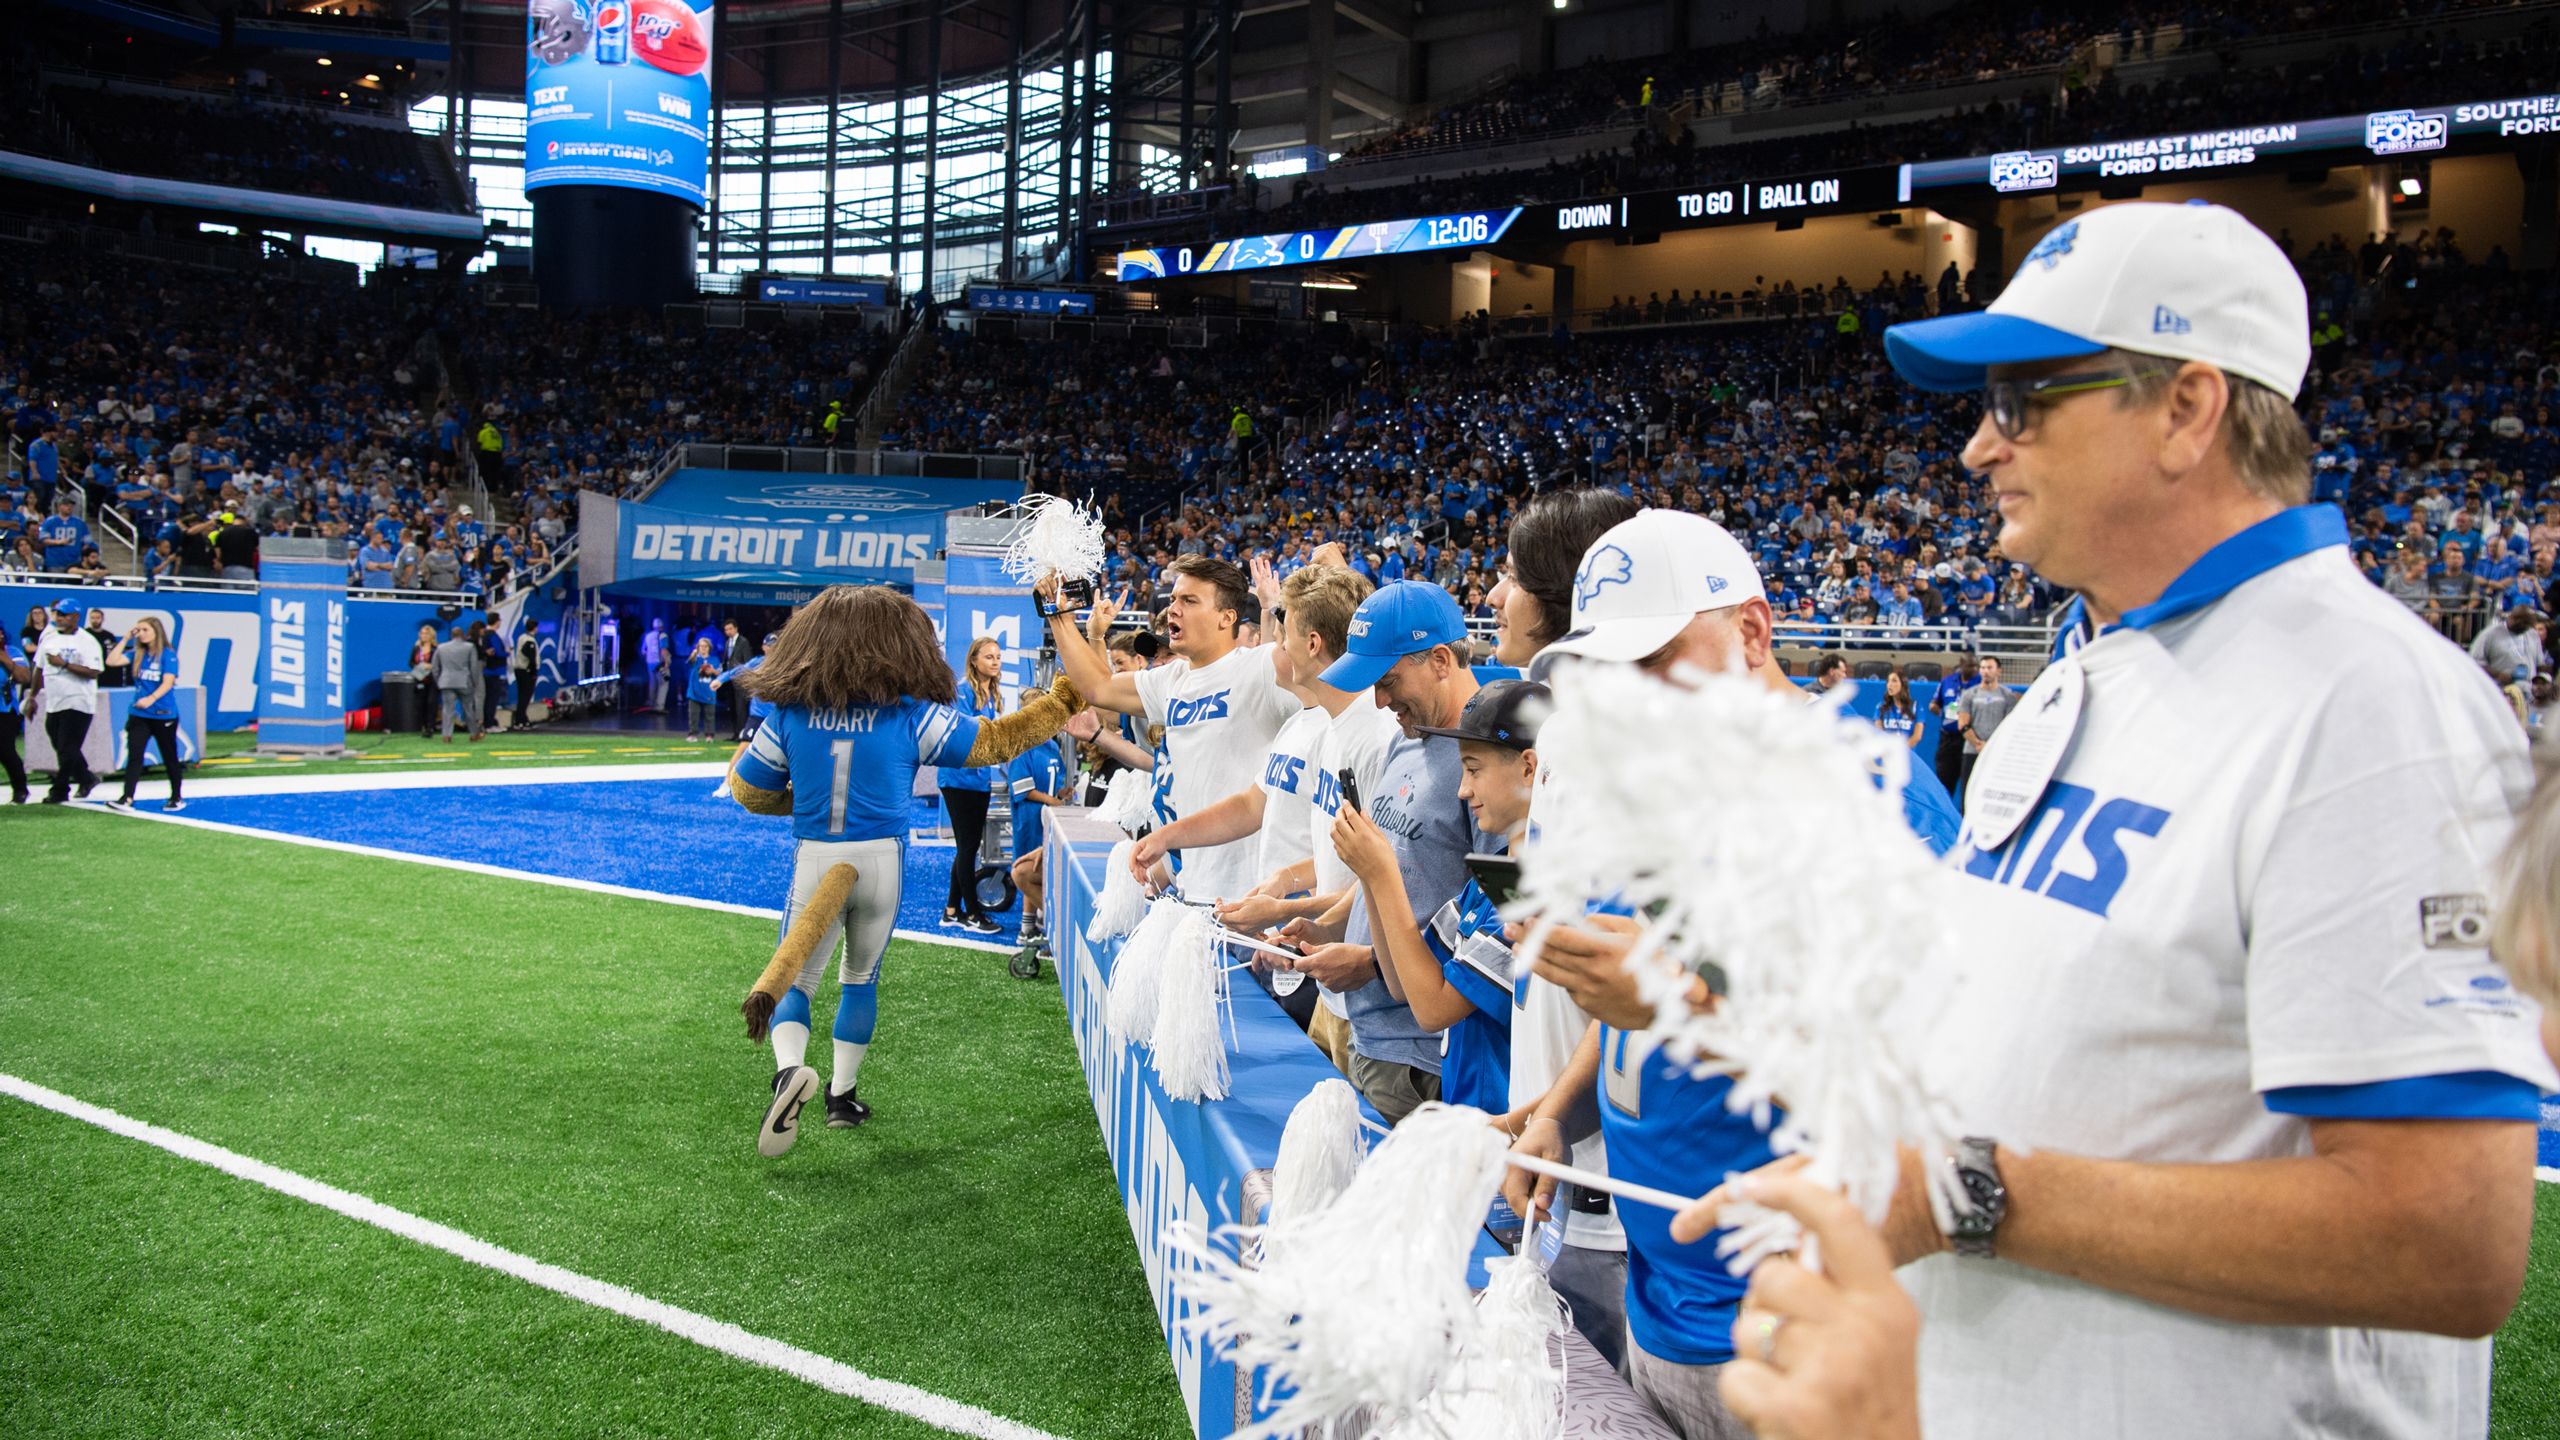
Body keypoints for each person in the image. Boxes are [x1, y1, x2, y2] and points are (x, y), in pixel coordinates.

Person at [1860, 198, 2555, 1439]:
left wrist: (1970, 1192)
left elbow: (2443, 1237)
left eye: (2019, 400)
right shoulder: (2084, 677)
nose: (1976, 448)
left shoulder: (2373, 707)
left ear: (2186, 410)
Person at [1513, 509, 1959, 1439]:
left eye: (1651, 663)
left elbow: (1928, 1094)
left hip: (1789, 1324)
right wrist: (1562, 1108)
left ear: (1753, 633)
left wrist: (1681, 1003)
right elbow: (1650, 993)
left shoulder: (1872, 803)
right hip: (1663, 1294)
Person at [726, 585, 1085, 1154]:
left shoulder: (789, 716)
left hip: (816, 855)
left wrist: (804, 801)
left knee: (798, 977)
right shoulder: (910, 716)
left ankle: (789, 1069)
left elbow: (750, 790)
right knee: (860, 978)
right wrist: (1066, 697)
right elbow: (997, 741)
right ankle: (842, 1097)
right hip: (880, 862)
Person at [1277, 580, 1485, 1124]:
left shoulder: (1487, 767)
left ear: (1440, 661)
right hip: (1372, 1033)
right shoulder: (1407, 738)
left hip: (1424, 1055)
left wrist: (1370, 962)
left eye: (1388, 681)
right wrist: (1328, 925)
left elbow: (1485, 927)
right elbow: (1388, 864)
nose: (1380, 701)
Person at [1330, 679, 1545, 1116]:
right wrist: (1370, 874)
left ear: (1528, 768)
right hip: (1467, 1113)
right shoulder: (1491, 877)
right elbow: (1402, 983)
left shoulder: (1530, 889)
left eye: (1474, 769)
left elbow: (1432, 1009)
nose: (1463, 789)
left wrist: (1383, 874)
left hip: (1498, 1126)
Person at [1040, 555, 1299, 905]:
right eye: (1174, 598)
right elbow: (1098, 688)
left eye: (1189, 601)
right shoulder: (1172, 679)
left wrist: (1273, 607)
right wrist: (1059, 617)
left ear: (1227, 618)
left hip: (1256, 894)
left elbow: (1318, 660)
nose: (1173, 609)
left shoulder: (1260, 667)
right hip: (1194, 885)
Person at [940, 636, 1009, 935]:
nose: (995, 662)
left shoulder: (991, 692)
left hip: (979, 779)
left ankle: (951, 910)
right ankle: (972, 914)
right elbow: (965, 733)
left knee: (967, 847)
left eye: (998, 657)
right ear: (974, 660)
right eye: (989, 657)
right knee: (967, 848)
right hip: (958, 779)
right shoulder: (962, 691)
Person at [103, 617, 184, 811]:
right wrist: (125, 638)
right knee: (135, 755)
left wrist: (151, 698)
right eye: (138, 630)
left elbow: (168, 682)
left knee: (169, 756)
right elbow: (111, 661)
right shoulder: (137, 654)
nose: (141, 634)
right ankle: (127, 797)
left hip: (163, 713)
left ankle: (176, 796)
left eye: (145, 630)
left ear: (156, 631)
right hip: (139, 714)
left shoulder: (167, 655)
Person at [1006, 729, 1076, 949]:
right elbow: (1023, 788)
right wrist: (1051, 800)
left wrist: (1061, 794)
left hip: (1049, 818)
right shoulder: (1022, 746)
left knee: (1044, 872)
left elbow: (1054, 781)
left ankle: (1036, 921)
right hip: (1031, 818)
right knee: (1030, 868)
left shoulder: (1052, 746)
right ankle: (1026, 927)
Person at [34, 598, 103, 802]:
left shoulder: (87, 641)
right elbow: (39, 668)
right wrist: (31, 697)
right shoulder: (48, 638)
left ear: (76, 617)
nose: (60, 618)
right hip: (54, 700)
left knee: (67, 747)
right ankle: (86, 778)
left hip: (78, 700)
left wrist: (64, 664)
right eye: (58, 614)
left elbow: (93, 671)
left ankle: (60, 789)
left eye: (64, 615)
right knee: (61, 744)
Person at [2470, 604, 2546, 726]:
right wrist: (2498, 674)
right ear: (2516, 619)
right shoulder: (2490, 634)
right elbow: (2474, 662)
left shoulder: (2532, 634)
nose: (2528, 629)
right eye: (2526, 625)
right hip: (2502, 691)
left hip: (2529, 691)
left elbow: (2540, 662)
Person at [1952, 654, 2010, 804]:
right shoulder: (1969, 694)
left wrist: (1990, 746)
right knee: (1968, 794)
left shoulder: (2007, 695)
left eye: (1989, 668)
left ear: (1999, 671)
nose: (1985, 671)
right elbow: (1962, 724)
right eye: (1983, 668)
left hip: (1996, 752)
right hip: (1972, 751)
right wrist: (1978, 744)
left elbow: (2009, 725)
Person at [433, 623, 481, 743]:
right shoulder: (469, 647)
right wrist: (475, 682)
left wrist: (439, 681)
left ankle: (447, 735)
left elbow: (435, 668)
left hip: (446, 682)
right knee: (468, 709)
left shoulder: (441, 647)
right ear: (462, 635)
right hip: (464, 682)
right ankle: (474, 734)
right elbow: (474, 667)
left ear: (451, 635)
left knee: (447, 709)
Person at [0, 628, 32, 804]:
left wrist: (4, 659)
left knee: (5, 751)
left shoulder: (12, 652)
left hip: (4, 710)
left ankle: (20, 789)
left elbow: (24, 677)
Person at [1874, 666, 1923, 751]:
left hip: (1908, 755)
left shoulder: (1916, 706)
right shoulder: (1881, 707)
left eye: (1894, 681)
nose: (1890, 684)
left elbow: (1917, 736)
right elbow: (1879, 732)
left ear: (1903, 684)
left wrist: (1900, 751)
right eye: (1888, 681)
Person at [683, 635, 720, 742]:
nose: (703, 648)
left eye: (705, 646)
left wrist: (712, 671)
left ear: (709, 648)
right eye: (701, 646)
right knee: (693, 715)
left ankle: (709, 736)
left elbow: (720, 673)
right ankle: (693, 734)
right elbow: (689, 662)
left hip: (709, 691)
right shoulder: (695, 659)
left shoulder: (714, 660)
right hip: (694, 692)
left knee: (709, 716)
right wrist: (693, 654)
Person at [408, 622, 441, 738]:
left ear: (431, 635)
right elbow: (410, 662)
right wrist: (418, 667)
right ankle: (424, 725)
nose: (423, 635)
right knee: (420, 703)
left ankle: (431, 727)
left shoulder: (436, 649)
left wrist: (431, 666)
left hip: (432, 680)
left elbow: (440, 663)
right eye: (421, 633)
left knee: (431, 703)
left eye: (426, 633)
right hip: (420, 679)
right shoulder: (416, 648)